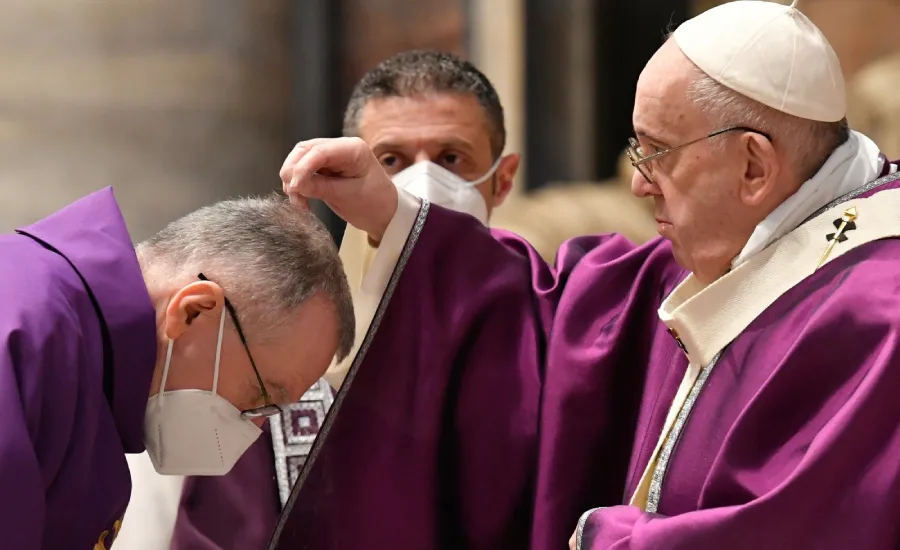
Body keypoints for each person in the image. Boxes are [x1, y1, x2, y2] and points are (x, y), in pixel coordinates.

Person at [271, 1, 900, 548]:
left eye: (657, 152)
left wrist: (607, 539)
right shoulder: (737, 245)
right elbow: (553, 324)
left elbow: (809, 527)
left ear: (755, 167)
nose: (639, 184)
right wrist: (395, 214)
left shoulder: (878, 313)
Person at [116, 49, 521, 550]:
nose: (421, 185)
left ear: (503, 179)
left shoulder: (534, 344)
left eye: (451, 159)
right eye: (390, 161)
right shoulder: (286, 345)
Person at [0, 186, 354, 549]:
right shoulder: (22, 336)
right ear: (193, 312)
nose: (254, 428)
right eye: (259, 396)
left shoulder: (93, 375)